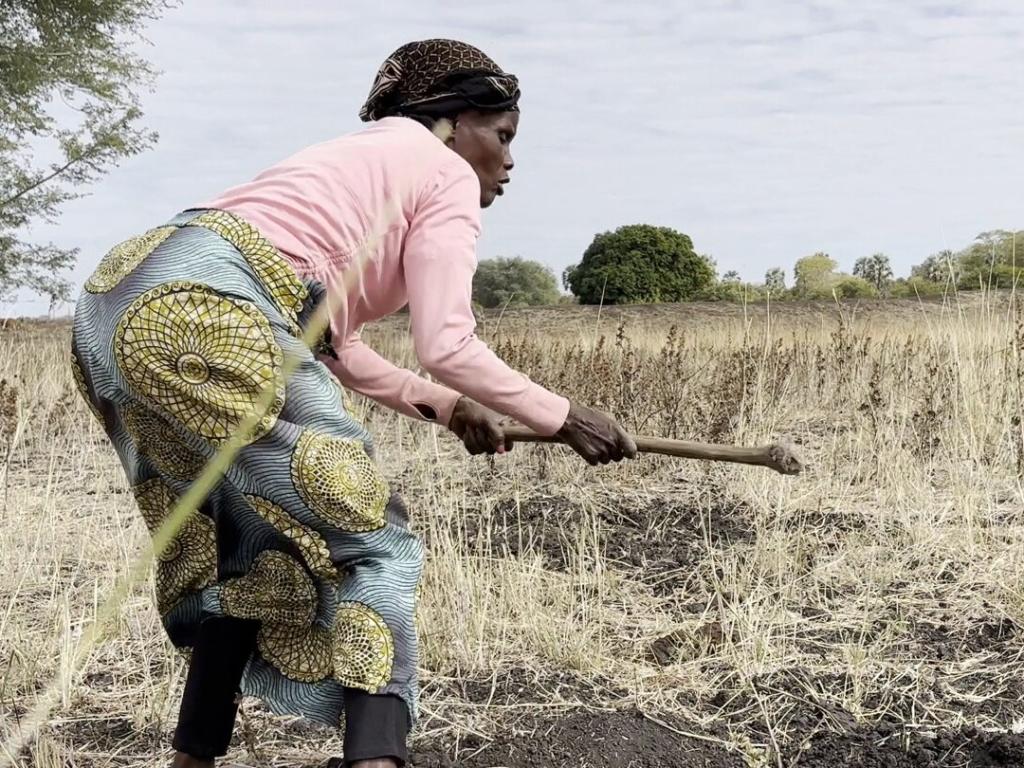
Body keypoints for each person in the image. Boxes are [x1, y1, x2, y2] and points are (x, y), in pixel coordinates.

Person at [70, 38, 636, 768]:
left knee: (245, 549)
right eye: (503, 135)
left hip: (118, 298)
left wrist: (448, 407)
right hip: (213, 307)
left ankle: (193, 759)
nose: (508, 159)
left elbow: (333, 343)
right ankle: (377, 758)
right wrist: (564, 416)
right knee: (377, 539)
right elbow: (448, 344)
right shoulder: (445, 173)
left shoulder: (353, 162)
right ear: (453, 122)